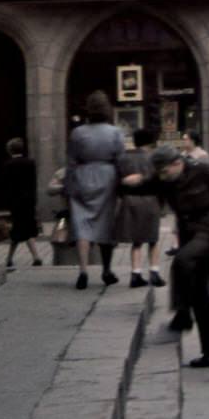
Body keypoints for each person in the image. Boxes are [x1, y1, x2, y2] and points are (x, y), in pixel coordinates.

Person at [126, 146, 209, 366]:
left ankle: (182, 315)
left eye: (165, 172)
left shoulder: (204, 169)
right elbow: (147, 185)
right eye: (159, 173)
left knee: (182, 260)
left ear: (178, 163)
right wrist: (131, 182)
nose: (163, 177)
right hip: (191, 231)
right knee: (199, 292)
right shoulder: (163, 177)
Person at [67, 92, 124, 290]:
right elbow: (120, 159)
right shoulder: (115, 132)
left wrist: (69, 186)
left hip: (83, 176)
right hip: (107, 176)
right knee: (106, 225)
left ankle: (83, 270)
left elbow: (71, 161)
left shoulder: (78, 132)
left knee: (82, 224)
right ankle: (106, 270)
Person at [116, 128, 166, 287]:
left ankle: (135, 274)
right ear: (150, 141)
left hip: (130, 200)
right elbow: (160, 182)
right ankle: (154, 273)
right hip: (150, 200)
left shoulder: (123, 158)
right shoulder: (154, 158)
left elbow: (117, 182)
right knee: (153, 239)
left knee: (136, 241)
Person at [4, 138, 43, 270]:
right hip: (29, 201)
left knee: (19, 229)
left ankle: (13, 258)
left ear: (10, 150)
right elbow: (33, 183)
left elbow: (7, 186)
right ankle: (31, 257)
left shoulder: (8, 165)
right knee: (24, 229)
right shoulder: (30, 163)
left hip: (16, 202)